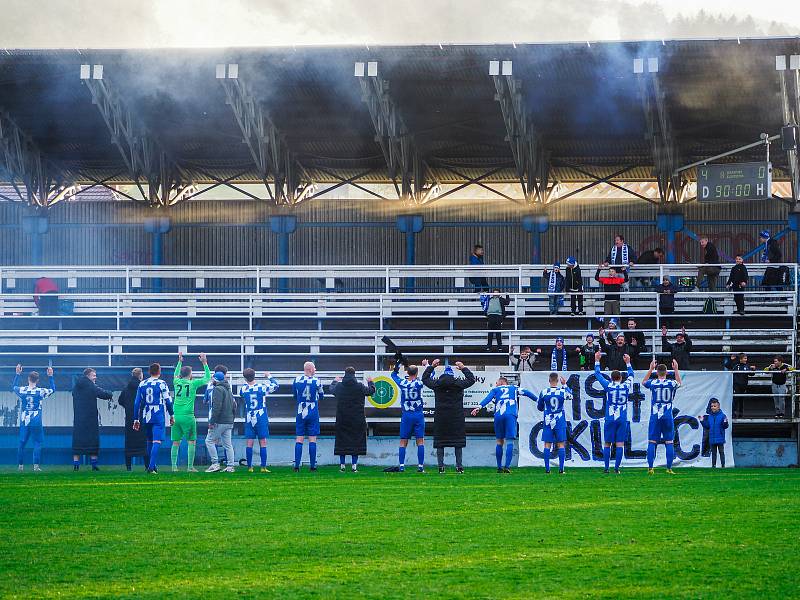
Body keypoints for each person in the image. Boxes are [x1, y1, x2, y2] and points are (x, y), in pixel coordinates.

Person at [421, 359, 476, 473]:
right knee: (458, 442)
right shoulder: (458, 384)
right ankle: (459, 466)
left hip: (441, 417)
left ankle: (441, 467)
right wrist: (463, 367)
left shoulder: (437, 384)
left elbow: (425, 379)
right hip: (456, 416)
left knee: (440, 442)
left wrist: (432, 366)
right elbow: (471, 379)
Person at [471, 377, 536, 473]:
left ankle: (499, 467)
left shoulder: (495, 390)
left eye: (496, 383)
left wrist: (479, 407)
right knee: (509, 441)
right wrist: (538, 400)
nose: (496, 384)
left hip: (498, 416)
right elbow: (527, 392)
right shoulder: (514, 388)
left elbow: (488, 398)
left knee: (499, 441)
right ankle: (507, 467)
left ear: (501, 382)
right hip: (510, 415)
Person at [170, 351, 211, 472]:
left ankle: (174, 467)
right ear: (190, 374)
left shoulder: (176, 382)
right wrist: (204, 363)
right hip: (188, 416)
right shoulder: (193, 383)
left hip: (176, 416)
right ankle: (189, 467)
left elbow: (175, 374)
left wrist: (179, 362)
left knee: (176, 442)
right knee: (191, 441)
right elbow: (207, 378)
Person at [594, 352, 634, 474]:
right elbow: (632, 375)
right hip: (622, 418)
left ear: (611, 378)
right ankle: (616, 468)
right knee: (620, 443)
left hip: (610, 417)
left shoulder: (608, 385)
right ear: (621, 378)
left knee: (607, 443)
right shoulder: (626, 386)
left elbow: (597, 374)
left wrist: (597, 361)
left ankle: (606, 468)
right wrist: (628, 363)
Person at [11, 364, 55, 472]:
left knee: (22, 442)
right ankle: (36, 466)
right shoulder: (40, 391)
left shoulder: (22, 390)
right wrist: (50, 376)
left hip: (24, 418)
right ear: (37, 380)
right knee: (37, 442)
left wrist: (17, 374)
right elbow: (53, 389)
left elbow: (13, 386)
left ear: (28, 379)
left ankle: (20, 466)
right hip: (36, 419)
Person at [332, 367, 376, 472]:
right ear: (354, 374)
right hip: (357, 419)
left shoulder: (339, 386)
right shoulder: (359, 386)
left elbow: (331, 390)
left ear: (345, 374)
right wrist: (370, 382)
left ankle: (342, 466)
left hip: (342, 419)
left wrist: (335, 381)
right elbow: (371, 391)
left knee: (341, 442)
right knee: (356, 443)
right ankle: (354, 466)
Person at [642, 359, 682, 474]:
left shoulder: (653, 382)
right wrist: (676, 369)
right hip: (667, 415)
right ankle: (669, 468)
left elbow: (643, 382)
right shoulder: (671, 383)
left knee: (652, 442)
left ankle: (650, 468)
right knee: (669, 441)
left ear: (657, 372)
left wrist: (650, 369)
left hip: (655, 416)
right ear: (667, 373)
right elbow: (679, 382)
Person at [133, 363, 174, 474]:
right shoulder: (162, 383)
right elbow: (168, 401)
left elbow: (137, 402)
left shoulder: (142, 383)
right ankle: (151, 467)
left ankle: (152, 466)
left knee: (149, 441)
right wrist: (171, 415)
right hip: (158, 414)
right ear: (159, 371)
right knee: (156, 441)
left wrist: (135, 419)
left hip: (146, 414)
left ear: (149, 372)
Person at [71, 367, 113, 471]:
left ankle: (76, 465)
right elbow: (104, 394)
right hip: (90, 418)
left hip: (78, 418)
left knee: (78, 441)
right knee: (93, 441)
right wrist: (110, 393)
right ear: (88, 375)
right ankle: (94, 465)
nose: (96, 377)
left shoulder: (76, 386)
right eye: (94, 375)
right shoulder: (91, 386)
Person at [240, 368, 279, 472]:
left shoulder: (243, 388)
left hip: (249, 416)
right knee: (263, 441)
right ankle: (263, 467)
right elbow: (276, 385)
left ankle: (250, 467)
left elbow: (241, 394)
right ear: (254, 375)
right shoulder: (262, 387)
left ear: (245, 378)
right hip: (260, 416)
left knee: (249, 442)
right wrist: (269, 376)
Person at [390, 361, 426, 472]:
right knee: (420, 441)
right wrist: (427, 366)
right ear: (417, 372)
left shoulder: (403, 383)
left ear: (407, 372)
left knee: (403, 441)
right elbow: (430, 375)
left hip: (406, 415)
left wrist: (398, 365)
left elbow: (393, 375)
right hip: (418, 414)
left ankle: (401, 466)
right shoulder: (419, 383)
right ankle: (420, 467)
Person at [536, 372, 572, 474]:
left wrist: (544, 407)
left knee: (547, 445)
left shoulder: (544, 392)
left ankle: (547, 469)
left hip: (548, 420)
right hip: (559, 421)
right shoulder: (562, 391)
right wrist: (565, 385)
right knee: (561, 444)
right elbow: (571, 396)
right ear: (557, 381)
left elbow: (539, 407)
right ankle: (561, 469)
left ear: (549, 380)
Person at [293, 361, 324, 471]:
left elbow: (294, 395)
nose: (315, 369)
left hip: (300, 410)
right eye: (314, 368)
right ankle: (313, 466)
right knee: (312, 438)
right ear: (310, 369)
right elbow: (322, 395)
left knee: (299, 438)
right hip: (313, 411)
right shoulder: (317, 381)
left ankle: (296, 466)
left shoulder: (297, 380)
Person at [204, 366, 236, 472]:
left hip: (220, 421)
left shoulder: (217, 389)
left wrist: (212, 421)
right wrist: (232, 418)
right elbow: (234, 405)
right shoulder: (228, 389)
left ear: (216, 379)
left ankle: (215, 464)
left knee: (209, 441)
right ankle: (230, 466)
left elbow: (216, 407)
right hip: (229, 421)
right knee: (228, 444)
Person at [117, 367, 148, 471]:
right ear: (140, 376)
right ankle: (147, 466)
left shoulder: (126, 388)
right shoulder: (142, 387)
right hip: (141, 418)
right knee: (144, 443)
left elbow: (120, 400)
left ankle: (128, 467)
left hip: (129, 419)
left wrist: (128, 407)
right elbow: (146, 401)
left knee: (129, 443)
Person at [699, 398, 728, 468]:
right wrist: (702, 421)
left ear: (718, 407)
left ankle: (723, 465)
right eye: (712, 406)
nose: (713, 407)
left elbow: (725, 427)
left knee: (721, 452)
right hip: (712, 438)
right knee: (713, 453)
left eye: (714, 406)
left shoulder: (722, 416)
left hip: (720, 438)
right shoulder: (710, 416)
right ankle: (713, 466)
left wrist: (725, 422)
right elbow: (708, 426)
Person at [725, 353, 755, 418]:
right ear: (740, 359)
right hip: (736, 385)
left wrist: (753, 369)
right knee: (735, 399)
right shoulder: (735, 364)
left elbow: (752, 374)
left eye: (746, 358)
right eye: (745, 358)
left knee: (741, 400)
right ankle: (734, 413)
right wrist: (731, 360)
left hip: (743, 386)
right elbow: (726, 365)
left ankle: (741, 413)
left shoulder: (747, 366)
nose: (746, 360)